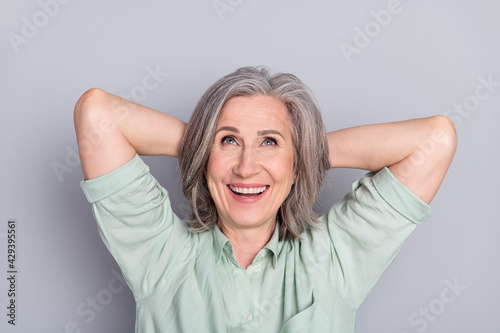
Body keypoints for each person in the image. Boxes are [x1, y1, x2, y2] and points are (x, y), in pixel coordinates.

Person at [74, 66, 457, 332]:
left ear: (296, 168)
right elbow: (97, 113)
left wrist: (299, 153)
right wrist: (204, 146)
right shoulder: (159, 256)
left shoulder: (334, 259)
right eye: (229, 141)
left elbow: (434, 140)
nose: (246, 167)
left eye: (269, 142)